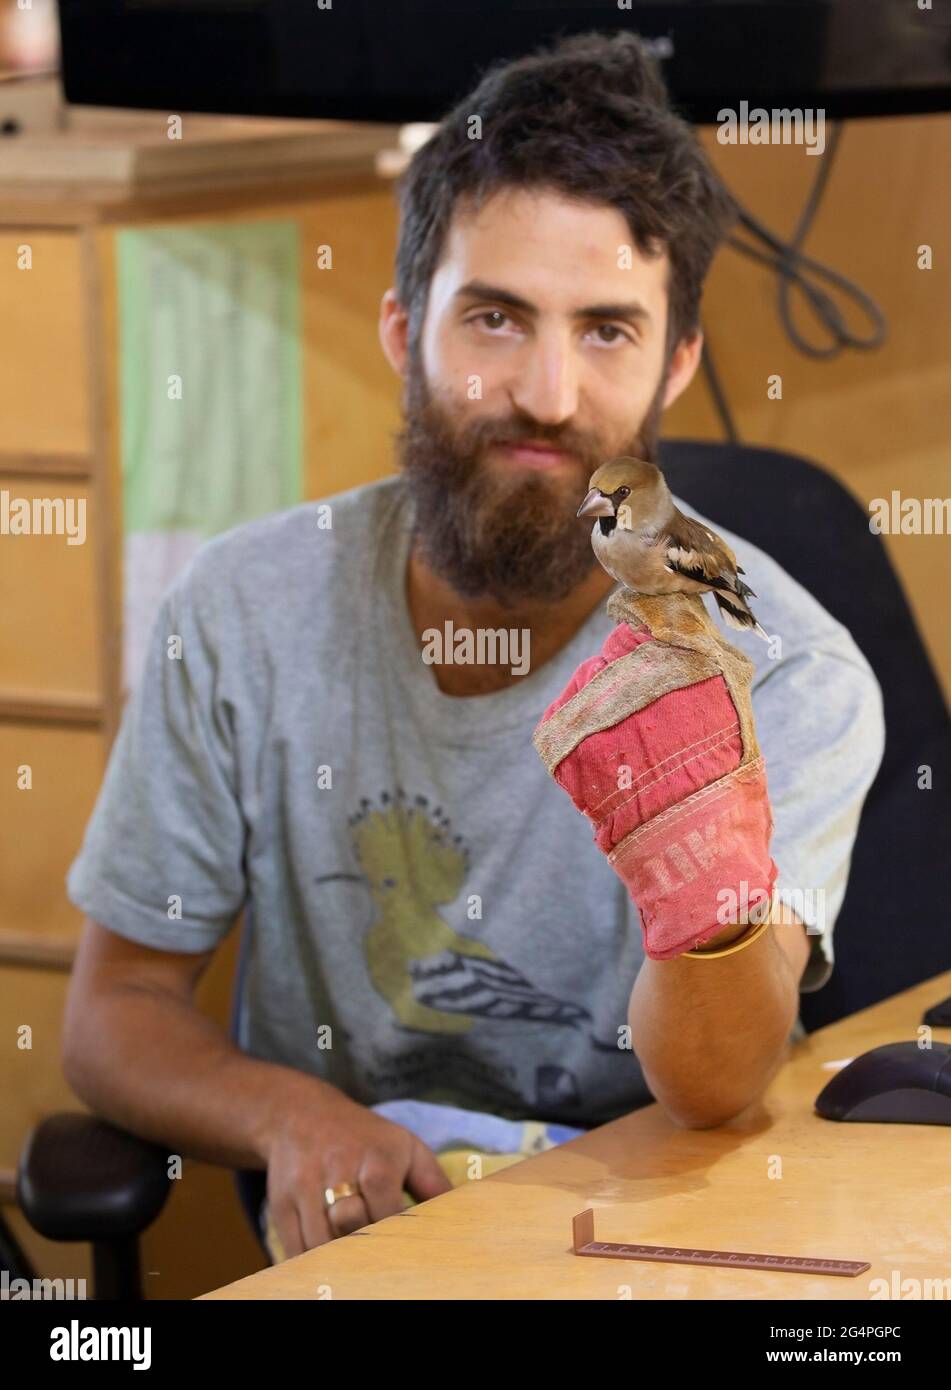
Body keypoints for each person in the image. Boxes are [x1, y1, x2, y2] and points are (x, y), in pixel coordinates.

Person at [62, 30, 884, 1263]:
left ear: (678, 363)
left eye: (608, 331)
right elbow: (111, 1012)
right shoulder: (238, 610)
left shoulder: (790, 676)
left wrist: (692, 871)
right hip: (358, 1248)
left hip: (643, 1244)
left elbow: (718, 1088)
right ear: (404, 330)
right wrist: (292, 1115)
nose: (548, 393)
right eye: (496, 318)